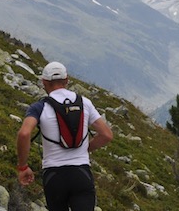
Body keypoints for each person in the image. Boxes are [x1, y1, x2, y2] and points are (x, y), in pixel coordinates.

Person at [16, 62, 113, 211]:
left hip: (54, 176)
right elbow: (106, 135)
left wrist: (23, 167)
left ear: (44, 82)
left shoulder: (39, 107)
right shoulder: (84, 103)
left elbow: (24, 133)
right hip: (81, 174)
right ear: (67, 80)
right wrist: (85, 149)